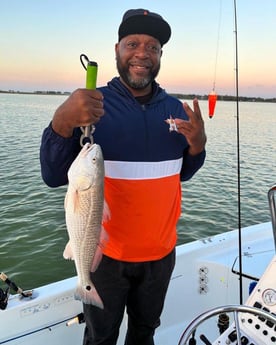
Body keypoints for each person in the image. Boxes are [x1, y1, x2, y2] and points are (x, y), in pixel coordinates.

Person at [40, 8, 207, 345]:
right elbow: (53, 175)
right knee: (101, 336)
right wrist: (61, 120)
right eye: (133, 43)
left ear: (160, 56)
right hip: (104, 255)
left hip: (160, 254)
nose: (142, 53)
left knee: (145, 332)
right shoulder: (91, 104)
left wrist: (198, 146)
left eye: (153, 47)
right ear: (117, 49)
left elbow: (182, 174)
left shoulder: (175, 109)